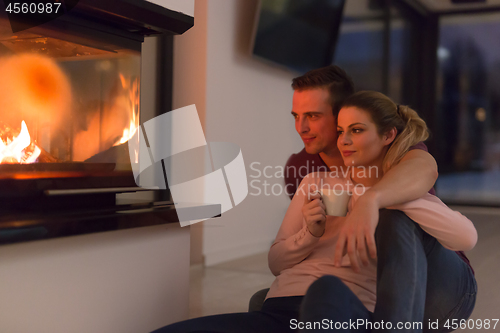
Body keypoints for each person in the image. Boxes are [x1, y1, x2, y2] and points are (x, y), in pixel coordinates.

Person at [151, 91, 477, 333]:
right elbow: (276, 263)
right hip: (279, 313)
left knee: (328, 289)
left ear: (388, 135)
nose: (345, 141)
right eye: (341, 131)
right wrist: (310, 233)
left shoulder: (402, 194)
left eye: (357, 130)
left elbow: (466, 236)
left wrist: (371, 199)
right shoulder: (315, 181)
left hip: (344, 312)